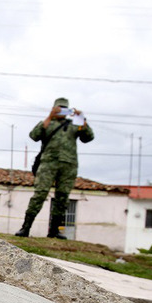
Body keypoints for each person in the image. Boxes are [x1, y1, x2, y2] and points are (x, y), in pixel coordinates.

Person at [16, 98, 95, 239]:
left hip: (68, 165)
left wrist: (82, 119)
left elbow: (88, 138)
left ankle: (54, 231)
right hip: (48, 164)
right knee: (40, 194)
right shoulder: (48, 123)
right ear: (53, 108)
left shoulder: (74, 125)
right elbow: (34, 136)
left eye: (65, 108)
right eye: (59, 108)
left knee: (62, 197)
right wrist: (50, 116)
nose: (62, 111)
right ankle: (25, 228)